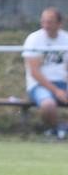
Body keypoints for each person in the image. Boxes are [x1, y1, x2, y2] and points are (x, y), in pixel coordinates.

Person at [22, 7, 68, 138]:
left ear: (59, 24)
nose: (46, 25)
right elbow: (35, 72)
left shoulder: (66, 39)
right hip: (39, 85)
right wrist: (56, 91)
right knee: (48, 105)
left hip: (63, 83)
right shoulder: (33, 39)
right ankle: (56, 130)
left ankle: (62, 129)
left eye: (50, 22)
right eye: (44, 21)